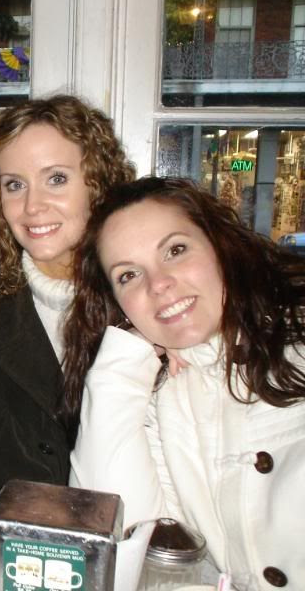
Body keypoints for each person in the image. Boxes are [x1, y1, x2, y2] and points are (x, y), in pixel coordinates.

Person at [64, 177, 305, 590]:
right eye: (128, 275)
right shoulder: (162, 394)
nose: (158, 284)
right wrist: (121, 366)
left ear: (220, 246)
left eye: (175, 251)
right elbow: (122, 548)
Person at [0, 95, 135, 499]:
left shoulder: (146, 293)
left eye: (56, 179)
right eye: (14, 185)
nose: (32, 206)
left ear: (96, 183)